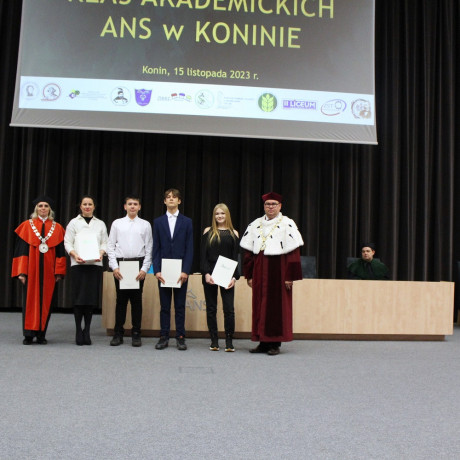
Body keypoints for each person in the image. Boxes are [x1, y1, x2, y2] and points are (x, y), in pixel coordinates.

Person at [240, 192, 303, 356]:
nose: (270, 207)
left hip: (279, 270)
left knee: (276, 308)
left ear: (280, 206)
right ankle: (262, 341)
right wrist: (249, 274)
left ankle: (275, 343)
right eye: (268, 204)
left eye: (274, 204)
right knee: (260, 305)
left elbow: (293, 254)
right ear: (264, 206)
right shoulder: (255, 224)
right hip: (259, 270)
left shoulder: (287, 224)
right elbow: (249, 253)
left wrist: (290, 276)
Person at [11, 196, 66, 345]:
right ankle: (28, 334)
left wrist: (59, 272)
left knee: (47, 302)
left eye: (46, 206)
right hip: (31, 270)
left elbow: (60, 252)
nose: (43, 208)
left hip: (49, 271)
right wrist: (21, 272)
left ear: (50, 209)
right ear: (36, 208)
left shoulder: (57, 228)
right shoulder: (27, 226)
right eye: (40, 206)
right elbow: (21, 250)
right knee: (29, 301)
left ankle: (41, 334)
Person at [107, 195, 152, 347]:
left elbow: (149, 248)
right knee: (121, 301)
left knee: (137, 301)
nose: (132, 206)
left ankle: (136, 333)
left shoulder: (145, 225)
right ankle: (118, 333)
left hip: (138, 265)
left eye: (135, 204)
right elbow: (110, 246)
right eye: (130, 204)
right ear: (125, 207)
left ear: (139, 207)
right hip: (121, 265)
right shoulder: (117, 223)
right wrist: (114, 267)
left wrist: (144, 269)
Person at [153, 188, 193, 351]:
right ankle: (164, 336)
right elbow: (156, 248)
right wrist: (156, 270)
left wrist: (185, 270)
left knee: (180, 306)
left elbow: (189, 248)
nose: (171, 199)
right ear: (164, 201)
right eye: (168, 197)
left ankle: (180, 336)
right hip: (164, 271)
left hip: (180, 271)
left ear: (179, 201)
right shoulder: (158, 222)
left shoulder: (187, 222)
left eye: (174, 197)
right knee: (164, 306)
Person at [64, 196, 108, 346]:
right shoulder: (73, 223)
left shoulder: (100, 224)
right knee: (78, 298)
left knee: (90, 299)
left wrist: (101, 252)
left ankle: (87, 330)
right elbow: (67, 242)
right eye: (85, 204)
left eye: (90, 204)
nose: (87, 206)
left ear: (94, 207)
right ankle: (78, 330)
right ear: (80, 206)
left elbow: (105, 242)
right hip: (78, 265)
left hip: (95, 265)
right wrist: (74, 254)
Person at [201, 203, 240, 352]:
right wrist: (206, 273)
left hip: (227, 275)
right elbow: (203, 255)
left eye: (222, 213)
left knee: (229, 309)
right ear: (214, 216)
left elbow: (236, 257)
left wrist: (234, 278)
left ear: (227, 215)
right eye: (217, 213)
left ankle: (229, 340)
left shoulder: (234, 233)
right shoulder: (208, 231)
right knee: (211, 308)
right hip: (210, 274)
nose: (220, 216)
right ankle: (214, 340)